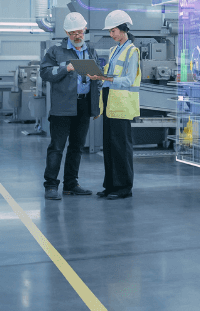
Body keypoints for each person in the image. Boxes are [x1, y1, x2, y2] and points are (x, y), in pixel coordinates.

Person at [40, 12, 101, 200]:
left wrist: (96, 84)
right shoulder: (55, 52)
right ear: (66, 32)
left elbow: (96, 76)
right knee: (57, 147)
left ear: (85, 31)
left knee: (76, 146)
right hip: (62, 107)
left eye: (80, 32)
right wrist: (65, 68)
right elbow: (45, 73)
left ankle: (71, 184)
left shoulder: (90, 50)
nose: (77, 35)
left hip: (83, 104)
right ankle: (51, 185)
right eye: (73, 32)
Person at [88, 10, 140, 200]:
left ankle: (124, 187)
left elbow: (128, 80)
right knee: (109, 146)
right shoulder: (113, 50)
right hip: (110, 102)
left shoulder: (132, 51)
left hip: (122, 104)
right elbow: (109, 77)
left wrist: (104, 77)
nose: (111, 34)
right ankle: (110, 186)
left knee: (121, 147)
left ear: (124, 29)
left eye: (114, 31)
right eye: (110, 31)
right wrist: (98, 75)